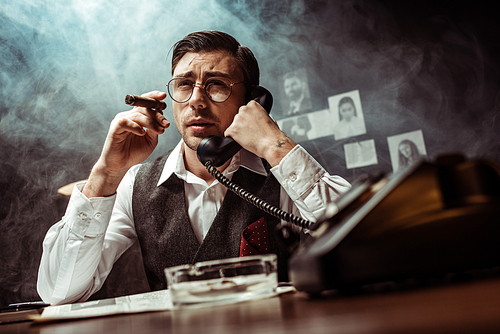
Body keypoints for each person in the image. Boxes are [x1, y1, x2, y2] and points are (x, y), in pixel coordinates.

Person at [37, 31, 350, 305]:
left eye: (216, 85)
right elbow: (59, 292)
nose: (197, 101)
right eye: (184, 84)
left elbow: (359, 242)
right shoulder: (136, 184)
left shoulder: (284, 175)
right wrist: (106, 173)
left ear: (251, 100)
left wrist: (276, 147)